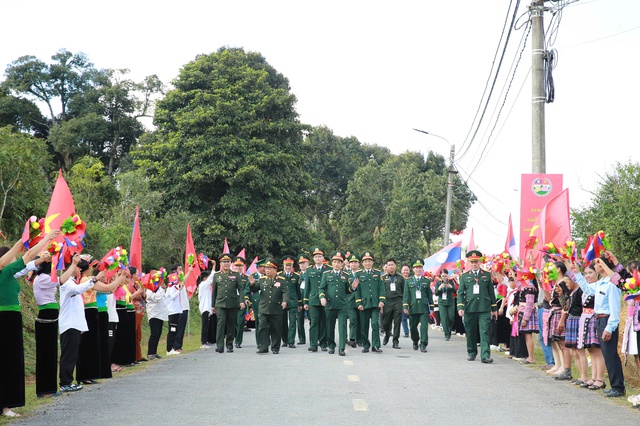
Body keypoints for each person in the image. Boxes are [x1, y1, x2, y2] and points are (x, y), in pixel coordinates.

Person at [1, 230, 59, 417]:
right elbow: (25, 254)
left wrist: (43, 251)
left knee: (8, 361)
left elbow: (28, 258)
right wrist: (44, 238)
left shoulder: (9, 274)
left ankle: (5, 405)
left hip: (10, 319)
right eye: (11, 257)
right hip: (6, 320)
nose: (14, 260)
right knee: (7, 361)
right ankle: (5, 406)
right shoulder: (5, 271)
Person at [567, 254, 625, 397]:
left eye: (597, 264)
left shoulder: (612, 283)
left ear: (603, 265)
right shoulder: (600, 283)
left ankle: (618, 387)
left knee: (610, 355)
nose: (594, 266)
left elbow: (614, 309)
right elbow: (587, 288)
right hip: (599, 319)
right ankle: (615, 385)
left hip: (607, 320)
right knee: (607, 354)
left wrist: (609, 328)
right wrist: (577, 273)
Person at [457, 250, 498, 363]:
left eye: (476, 262)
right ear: (469, 263)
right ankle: (471, 352)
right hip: (470, 308)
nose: (474, 264)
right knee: (470, 331)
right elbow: (460, 293)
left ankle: (485, 356)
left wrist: (494, 309)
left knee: (484, 331)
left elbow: (491, 292)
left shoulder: (486, 275)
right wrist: (460, 307)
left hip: (484, 308)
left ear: (480, 262)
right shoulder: (464, 277)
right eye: (472, 262)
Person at [248, 258, 288, 354]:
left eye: (269, 268)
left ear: (275, 269)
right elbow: (254, 289)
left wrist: (285, 301)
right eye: (266, 268)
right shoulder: (262, 280)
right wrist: (252, 284)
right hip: (263, 308)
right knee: (262, 328)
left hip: (276, 308)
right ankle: (263, 347)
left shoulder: (282, 280)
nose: (267, 270)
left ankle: (275, 347)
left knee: (276, 329)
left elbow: (285, 292)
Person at [319, 251, 353, 356]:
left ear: (342, 264)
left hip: (342, 305)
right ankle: (332, 346)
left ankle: (341, 348)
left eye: (339, 262)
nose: (336, 264)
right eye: (334, 262)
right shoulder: (326, 275)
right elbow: (322, 289)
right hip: (330, 304)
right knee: (330, 326)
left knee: (342, 327)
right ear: (332, 263)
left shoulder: (346, 275)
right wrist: (322, 297)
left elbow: (348, 290)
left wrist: (353, 287)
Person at [351, 251, 385, 353]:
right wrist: (358, 303)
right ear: (362, 263)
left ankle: (375, 346)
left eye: (369, 261)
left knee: (375, 324)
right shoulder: (358, 274)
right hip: (364, 304)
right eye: (365, 261)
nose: (367, 263)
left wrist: (382, 300)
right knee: (364, 326)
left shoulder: (377, 273)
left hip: (375, 303)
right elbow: (357, 290)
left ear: (372, 262)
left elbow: (381, 288)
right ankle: (366, 345)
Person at [212, 253, 245, 353]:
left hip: (232, 303)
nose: (226, 264)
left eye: (228, 262)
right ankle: (220, 345)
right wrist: (213, 305)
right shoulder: (217, 275)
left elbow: (241, 288)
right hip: (220, 303)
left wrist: (242, 301)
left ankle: (229, 345)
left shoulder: (235, 275)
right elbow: (214, 291)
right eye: (224, 262)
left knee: (231, 325)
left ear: (231, 263)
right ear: (220, 263)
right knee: (220, 324)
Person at [403, 259, 434, 352]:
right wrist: (405, 306)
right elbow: (406, 295)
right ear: (413, 269)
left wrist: (431, 307)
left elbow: (429, 295)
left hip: (424, 308)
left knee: (424, 327)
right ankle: (415, 340)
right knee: (412, 327)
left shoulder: (426, 281)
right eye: (416, 268)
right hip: (413, 307)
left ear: (422, 269)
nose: (418, 269)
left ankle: (423, 344)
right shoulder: (408, 281)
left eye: (420, 268)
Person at [304, 247, 329, 352]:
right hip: (313, 299)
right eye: (315, 257)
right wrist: (305, 301)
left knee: (324, 321)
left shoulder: (328, 269)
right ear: (313, 259)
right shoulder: (309, 270)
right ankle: (313, 344)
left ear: (323, 258)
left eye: (319, 256)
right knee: (314, 322)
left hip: (325, 299)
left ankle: (323, 343)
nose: (318, 258)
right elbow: (307, 287)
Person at [381, 258, 405, 349]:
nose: (391, 267)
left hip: (398, 301)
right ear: (386, 267)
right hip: (387, 301)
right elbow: (381, 291)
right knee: (385, 322)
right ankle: (387, 334)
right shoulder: (383, 278)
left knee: (397, 322)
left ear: (395, 266)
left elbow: (404, 291)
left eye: (392, 265)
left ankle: (395, 341)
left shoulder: (400, 278)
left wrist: (404, 303)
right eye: (389, 265)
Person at [146, 270, 168, 360]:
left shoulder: (158, 287)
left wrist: (162, 288)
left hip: (160, 313)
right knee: (154, 333)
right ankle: (150, 353)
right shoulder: (149, 288)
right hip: (153, 313)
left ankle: (154, 352)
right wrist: (162, 290)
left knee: (158, 333)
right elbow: (156, 298)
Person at [280, 255, 301, 348]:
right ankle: (285, 340)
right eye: (286, 265)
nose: (288, 267)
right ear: (283, 265)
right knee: (283, 322)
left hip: (293, 302)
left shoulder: (296, 276)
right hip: (282, 302)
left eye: (290, 265)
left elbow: (298, 291)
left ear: (292, 266)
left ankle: (291, 341)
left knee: (292, 322)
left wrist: (300, 303)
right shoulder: (279, 275)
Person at [434, 269, 456, 341]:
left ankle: (449, 330)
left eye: (445, 276)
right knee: (444, 318)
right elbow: (436, 293)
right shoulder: (438, 282)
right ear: (440, 276)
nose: (444, 277)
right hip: (442, 302)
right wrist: (440, 287)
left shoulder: (451, 281)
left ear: (447, 275)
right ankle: (447, 334)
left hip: (450, 302)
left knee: (451, 318)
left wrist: (450, 286)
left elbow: (455, 291)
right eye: (443, 276)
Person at [172, 265, 190, 353]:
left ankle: (179, 345)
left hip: (184, 307)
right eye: (179, 269)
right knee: (178, 328)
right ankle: (176, 346)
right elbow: (182, 281)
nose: (181, 271)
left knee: (182, 328)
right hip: (179, 308)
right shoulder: (174, 281)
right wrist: (189, 272)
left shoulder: (181, 281)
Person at [345, 253, 361, 348]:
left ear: (359, 264)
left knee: (361, 321)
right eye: (352, 263)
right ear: (349, 264)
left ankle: (360, 338)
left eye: (355, 262)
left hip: (361, 301)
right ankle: (352, 339)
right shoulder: (347, 275)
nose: (354, 264)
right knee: (353, 320)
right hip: (350, 301)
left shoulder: (361, 273)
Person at [198, 270, 215, 349]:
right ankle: (203, 342)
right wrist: (214, 266)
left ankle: (206, 341)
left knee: (207, 325)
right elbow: (211, 278)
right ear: (205, 278)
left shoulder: (206, 286)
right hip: (204, 308)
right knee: (205, 325)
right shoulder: (203, 284)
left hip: (207, 307)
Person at [296, 254, 309, 345]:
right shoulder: (297, 275)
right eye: (300, 264)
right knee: (299, 320)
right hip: (299, 299)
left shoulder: (311, 273)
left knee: (313, 320)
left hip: (309, 299)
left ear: (308, 263)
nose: (302, 265)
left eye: (304, 263)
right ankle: (301, 338)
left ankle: (315, 338)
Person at [400, 264, 411, 338]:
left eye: (407, 270)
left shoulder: (411, 279)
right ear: (401, 271)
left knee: (412, 317)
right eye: (404, 270)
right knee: (403, 317)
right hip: (402, 300)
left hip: (412, 301)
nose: (405, 272)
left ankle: (413, 330)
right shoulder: (399, 280)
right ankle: (406, 332)